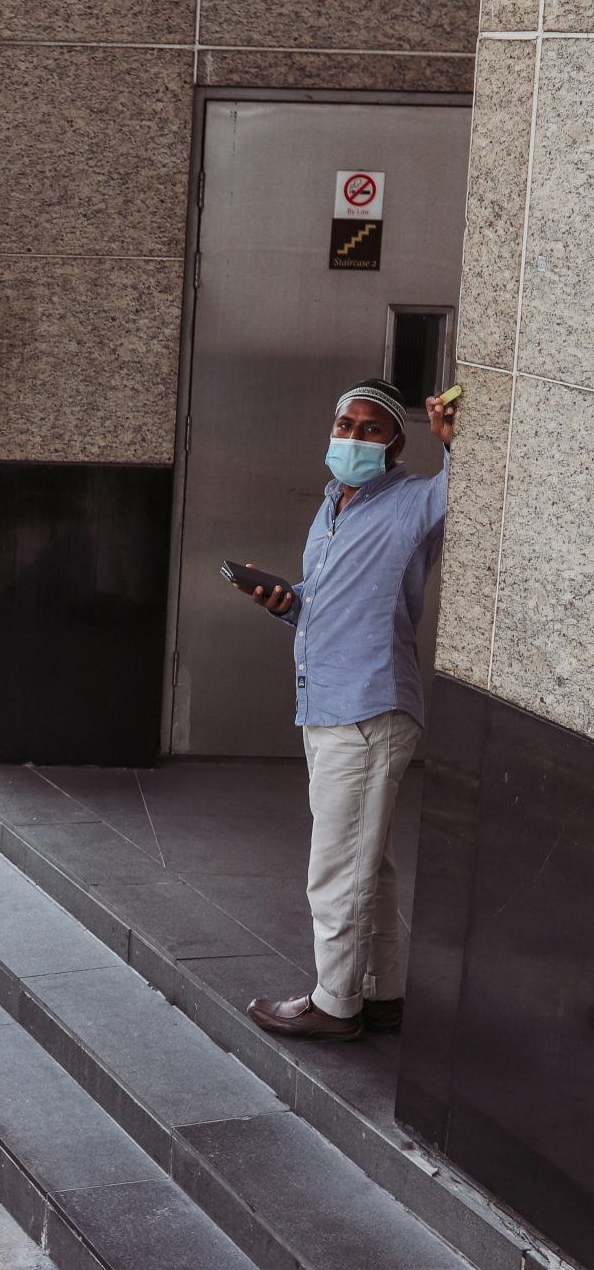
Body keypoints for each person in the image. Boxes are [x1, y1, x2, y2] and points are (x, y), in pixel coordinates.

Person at [238, 378, 456, 1042]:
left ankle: (335, 1004)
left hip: (369, 709)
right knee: (370, 861)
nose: (352, 437)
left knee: (336, 864)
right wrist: (289, 602)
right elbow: (330, 599)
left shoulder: (416, 501)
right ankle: (381, 992)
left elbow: (468, 489)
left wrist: (456, 442)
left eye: (369, 428)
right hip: (327, 703)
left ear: (395, 441)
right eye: (344, 424)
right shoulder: (333, 506)